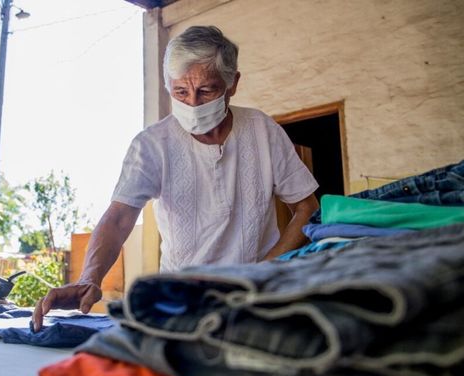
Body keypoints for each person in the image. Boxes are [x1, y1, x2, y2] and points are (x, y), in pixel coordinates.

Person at [33, 26, 319, 331]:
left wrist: (264, 270)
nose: (193, 104)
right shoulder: (152, 145)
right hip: (182, 304)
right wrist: (89, 277)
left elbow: (306, 208)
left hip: (258, 298)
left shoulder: (262, 130)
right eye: (181, 92)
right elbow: (118, 218)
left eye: (206, 91)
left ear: (232, 83)